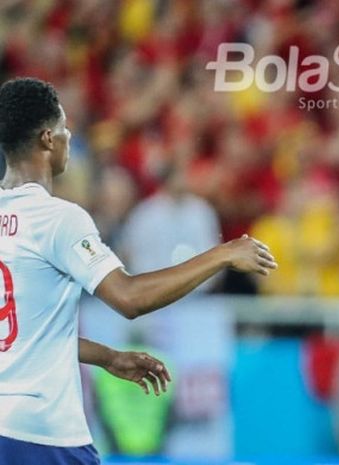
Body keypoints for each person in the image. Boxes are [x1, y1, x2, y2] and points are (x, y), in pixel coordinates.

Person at [0, 77, 277, 465]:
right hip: (45, 432)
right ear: (47, 138)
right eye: (63, 128)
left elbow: (23, 333)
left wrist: (108, 357)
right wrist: (223, 254)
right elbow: (129, 298)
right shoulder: (58, 218)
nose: (68, 136)